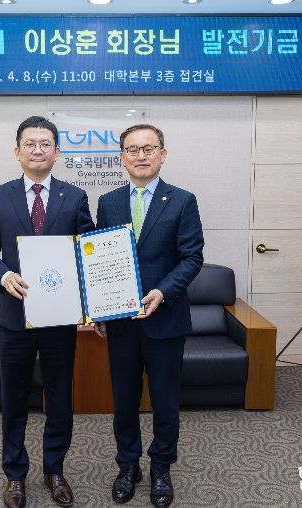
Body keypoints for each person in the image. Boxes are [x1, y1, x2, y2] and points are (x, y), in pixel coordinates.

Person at [0, 116, 94, 508]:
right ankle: (15, 474)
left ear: (57, 152)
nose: (38, 150)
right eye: (30, 143)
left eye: (45, 144)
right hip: (14, 315)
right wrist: (3, 274)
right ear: (17, 151)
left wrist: (94, 299)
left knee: (59, 395)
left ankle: (55, 469)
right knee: (14, 397)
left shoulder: (74, 197)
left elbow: (88, 250)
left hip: (59, 317)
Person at [96, 124, 204, 508]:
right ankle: (128, 466)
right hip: (121, 322)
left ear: (162, 154)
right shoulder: (108, 202)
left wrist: (163, 291)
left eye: (148, 148)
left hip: (166, 319)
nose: (140, 156)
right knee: (124, 400)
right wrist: (100, 308)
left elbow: (192, 257)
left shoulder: (183, 201)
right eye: (132, 149)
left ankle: (161, 467)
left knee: (165, 401)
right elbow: (101, 257)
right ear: (122, 158)